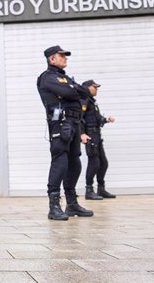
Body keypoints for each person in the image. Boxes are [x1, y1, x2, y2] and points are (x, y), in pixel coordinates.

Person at [36, 45, 94, 221]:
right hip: (60, 124)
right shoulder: (47, 78)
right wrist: (74, 89)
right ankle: (54, 206)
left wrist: (74, 89)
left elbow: (85, 92)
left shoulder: (64, 77)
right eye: (61, 56)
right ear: (51, 59)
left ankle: (71, 204)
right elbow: (70, 91)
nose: (65, 58)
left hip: (74, 123)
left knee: (75, 163)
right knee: (60, 162)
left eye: (65, 56)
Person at [81, 79, 116, 200]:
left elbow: (96, 118)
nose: (96, 89)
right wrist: (82, 134)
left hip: (97, 134)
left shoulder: (92, 102)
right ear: (87, 87)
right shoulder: (83, 100)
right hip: (90, 135)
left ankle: (101, 189)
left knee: (103, 163)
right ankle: (89, 190)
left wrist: (106, 119)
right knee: (94, 163)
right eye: (94, 87)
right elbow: (79, 118)